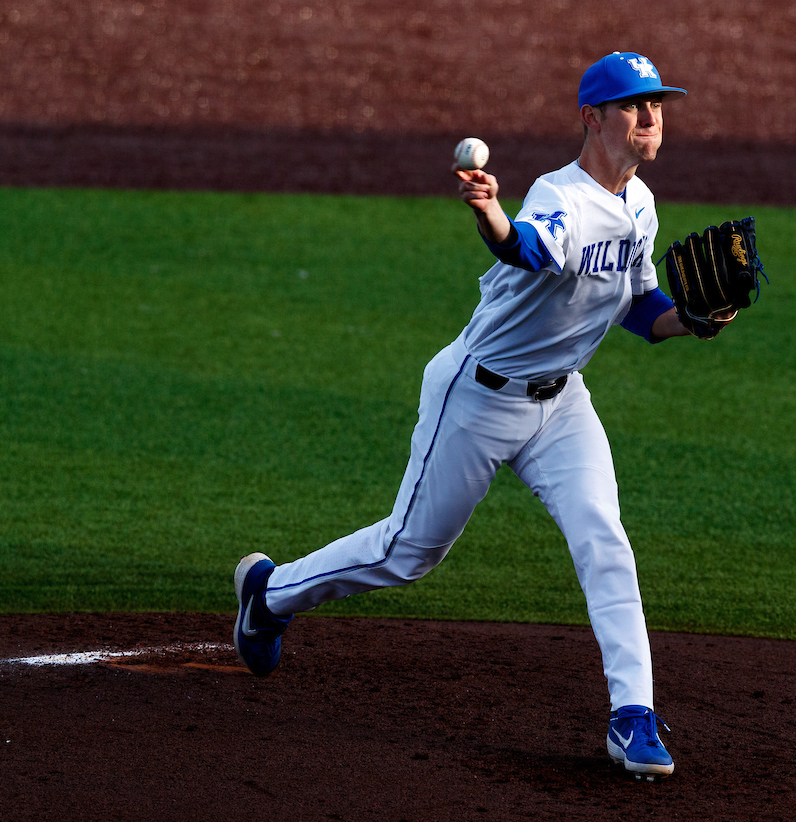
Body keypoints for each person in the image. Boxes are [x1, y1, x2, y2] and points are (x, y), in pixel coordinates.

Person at [234, 51, 699, 780]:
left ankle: (632, 715)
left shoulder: (641, 203)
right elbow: (526, 247)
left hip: (562, 404)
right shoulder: (560, 197)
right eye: (633, 105)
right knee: (409, 552)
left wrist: (697, 318)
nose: (649, 116)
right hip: (477, 398)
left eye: (657, 104)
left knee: (604, 538)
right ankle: (270, 594)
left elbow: (642, 310)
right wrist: (490, 214)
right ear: (592, 118)